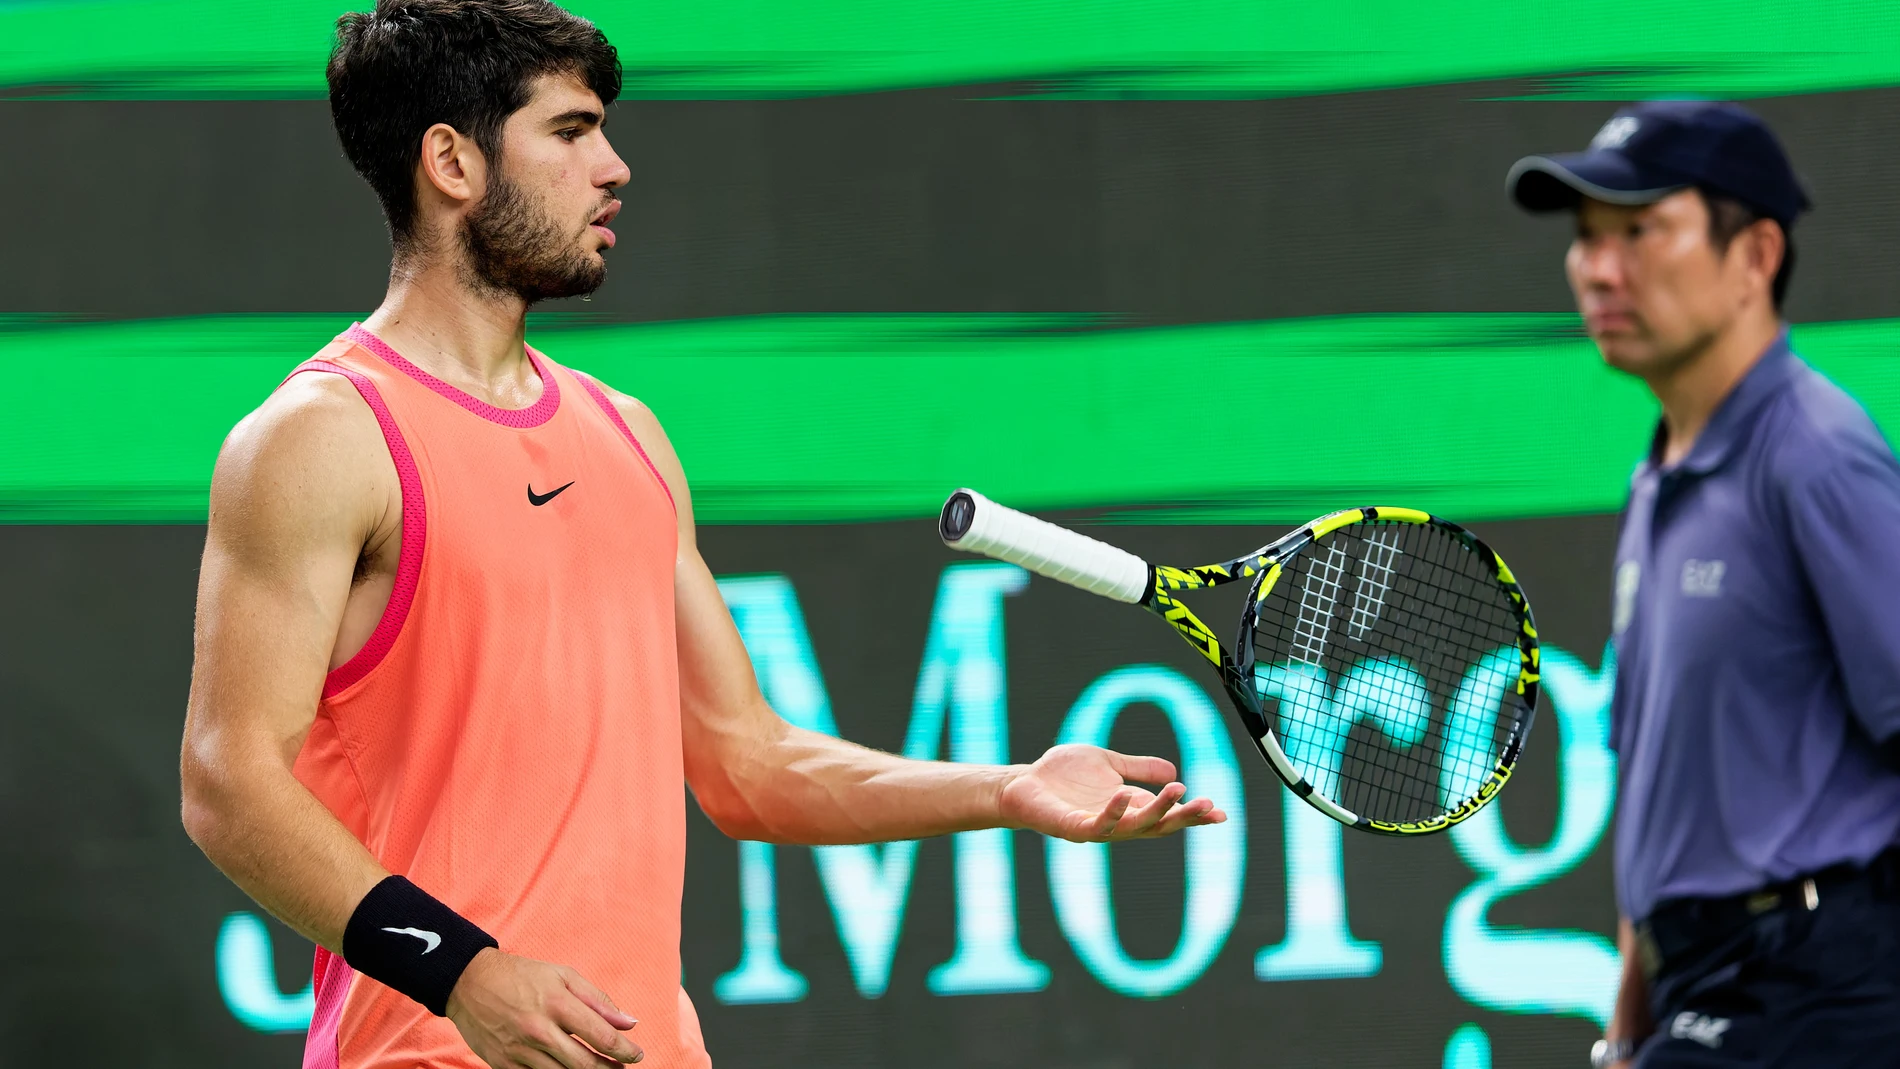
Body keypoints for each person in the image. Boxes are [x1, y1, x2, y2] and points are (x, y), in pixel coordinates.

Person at [176, 3, 1226, 1068]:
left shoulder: (628, 436)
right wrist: (464, 970)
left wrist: (1005, 788)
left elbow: (748, 765)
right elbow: (229, 782)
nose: (614, 167)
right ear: (451, 162)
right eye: (572, 131)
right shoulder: (321, 438)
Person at [1508, 100, 1900, 1068]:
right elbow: (1666, 801)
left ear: (1755, 257)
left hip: (1813, 985)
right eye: (1586, 237)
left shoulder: (1814, 453)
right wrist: (1625, 1025)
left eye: (1638, 231)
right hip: (1704, 987)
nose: (1597, 267)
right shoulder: (1657, 478)